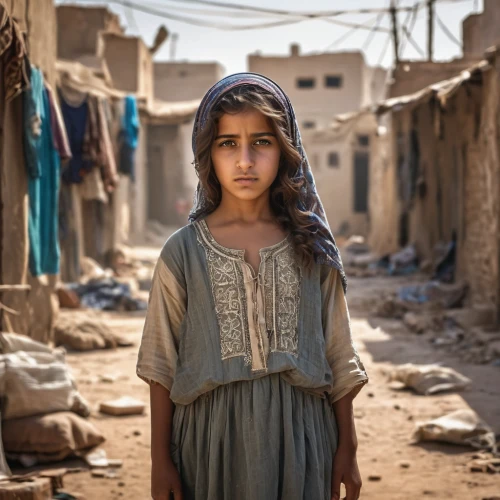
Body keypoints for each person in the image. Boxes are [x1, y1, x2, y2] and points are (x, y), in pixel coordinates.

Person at [136, 73, 369, 500]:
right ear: (208, 153)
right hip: (208, 445)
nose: (245, 160)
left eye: (261, 142)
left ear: (284, 149)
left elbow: (338, 350)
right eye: (228, 144)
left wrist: (347, 447)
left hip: (302, 441)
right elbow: (160, 364)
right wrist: (159, 460)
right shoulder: (182, 252)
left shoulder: (311, 247)